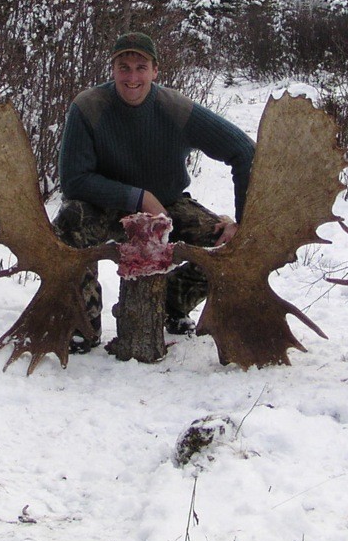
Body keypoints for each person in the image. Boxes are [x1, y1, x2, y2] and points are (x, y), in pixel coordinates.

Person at [54, 32, 255, 350]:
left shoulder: (175, 109)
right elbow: (74, 181)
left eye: (140, 67)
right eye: (124, 67)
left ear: (155, 70)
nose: (132, 77)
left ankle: (174, 301)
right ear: (113, 70)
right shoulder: (88, 108)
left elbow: (244, 151)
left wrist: (243, 222)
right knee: (70, 219)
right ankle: (84, 321)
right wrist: (138, 197)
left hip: (168, 205)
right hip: (105, 207)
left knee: (232, 245)